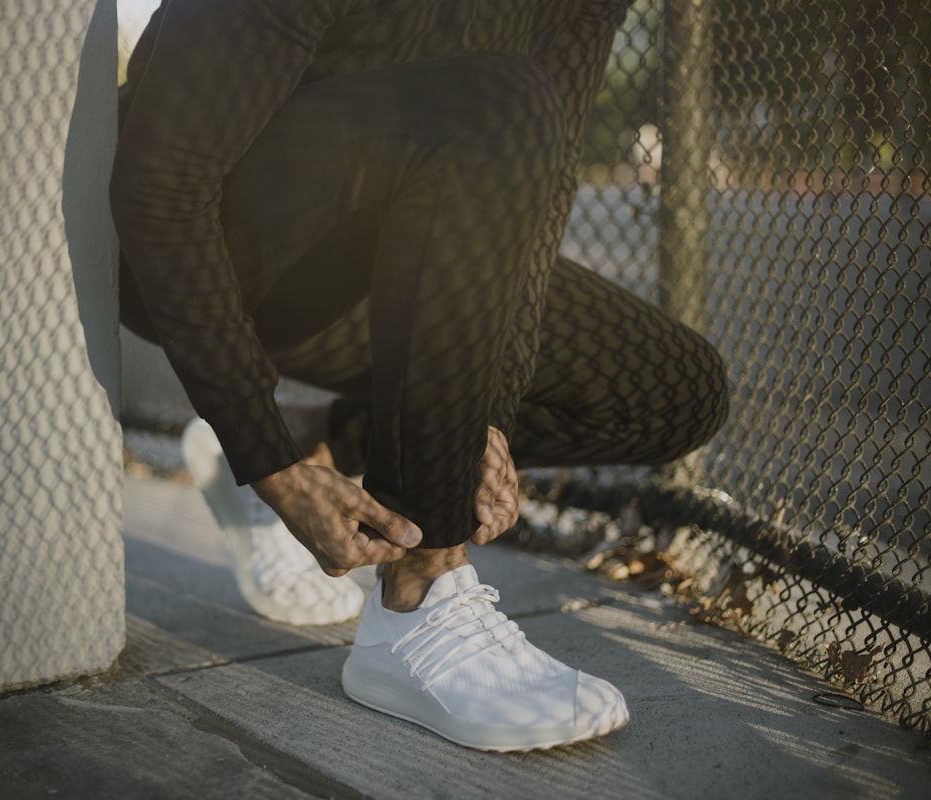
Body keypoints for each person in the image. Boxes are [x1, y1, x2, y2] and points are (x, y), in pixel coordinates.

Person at [111, 0, 729, 751]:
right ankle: (417, 604)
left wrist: (489, 409)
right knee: (497, 101)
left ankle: (325, 448)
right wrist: (262, 455)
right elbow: (163, 188)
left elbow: (536, 205)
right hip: (225, 249)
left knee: (676, 390)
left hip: (410, 248)